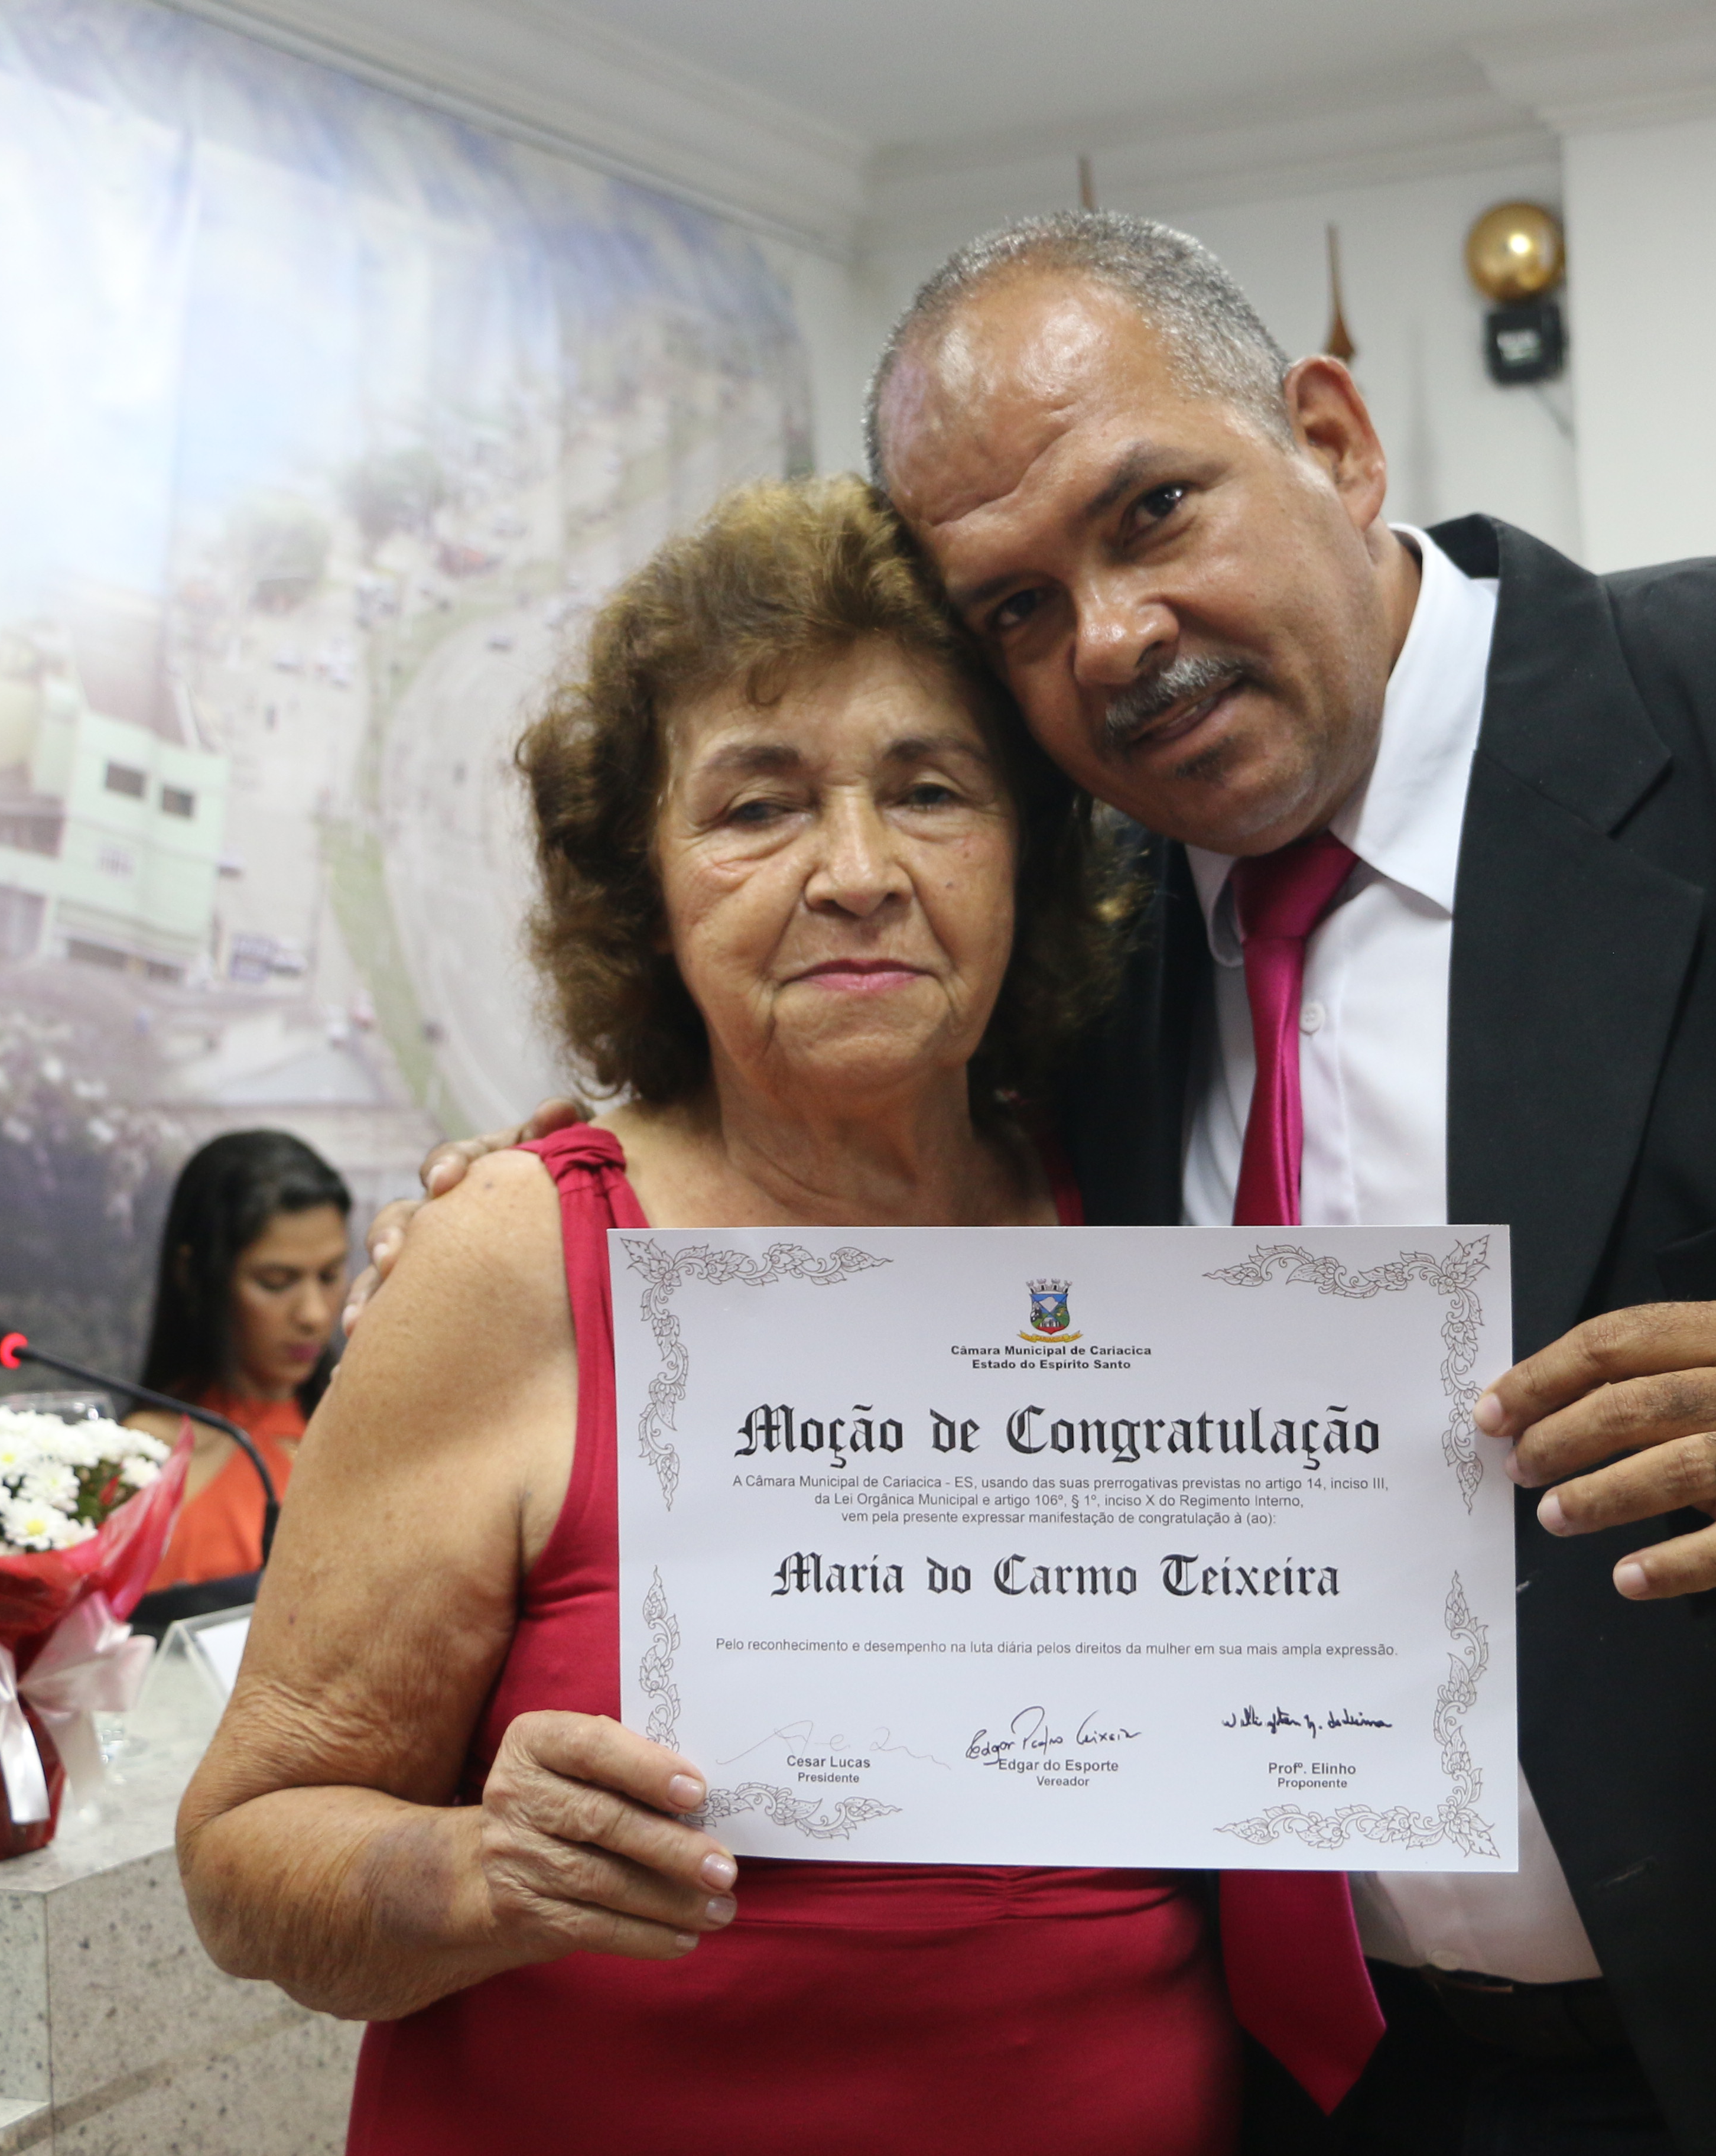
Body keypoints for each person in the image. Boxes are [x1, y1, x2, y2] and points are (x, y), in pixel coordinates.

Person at [369, 214, 1716, 2154]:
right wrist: (536, 1195)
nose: (1113, 637)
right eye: (1017, 607)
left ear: (1331, 436)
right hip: (1349, 2093)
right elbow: (843, 1142)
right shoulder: (1084, 943)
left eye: (1152, 509)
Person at [174, 475, 1239, 2155]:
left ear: (1029, 854)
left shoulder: (1136, 1206)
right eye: (757, 808)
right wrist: (479, 1871)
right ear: (647, 890)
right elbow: (245, 1860)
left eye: (931, 790)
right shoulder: (516, 1257)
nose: (857, 874)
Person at [129, 1129, 350, 1595]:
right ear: (194, 1275)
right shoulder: (143, 1461)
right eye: (276, 1282)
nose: (313, 1315)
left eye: (331, 1275)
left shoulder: (368, 1435)